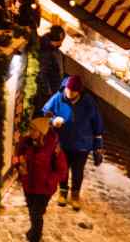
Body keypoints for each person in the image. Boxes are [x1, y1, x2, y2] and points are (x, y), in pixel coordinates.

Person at [39, 75, 104, 210]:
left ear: (79, 91)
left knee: (78, 171)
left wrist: (98, 146)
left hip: (82, 144)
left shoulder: (88, 102)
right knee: (63, 169)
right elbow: (46, 112)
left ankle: (75, 195)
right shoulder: (58, 97)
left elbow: (97, 123)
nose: (69, 93)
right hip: (63, 143)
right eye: (68, 90)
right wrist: (53, 120)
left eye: (73, 91)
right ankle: (63, 192)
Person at [10, 115, 67, 242]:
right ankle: (33, 231)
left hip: (44, 189)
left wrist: (49, 181)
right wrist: (18, 166)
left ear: (41, 132)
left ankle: (35, 237)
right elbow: (15, 157)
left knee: (36, 213)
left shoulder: (53, 148)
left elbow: (62, 170)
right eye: (30, 129)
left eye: (33, 130)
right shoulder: (25, 142)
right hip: (29, 184)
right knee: (32, 210)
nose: (30, 132)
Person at [34, 26, 66, 106]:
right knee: (43, 113)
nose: (62, 43)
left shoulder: (52, 48)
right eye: (61, 40)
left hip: (53, 89)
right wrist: (48, 93)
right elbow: (42, 75)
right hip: (47, 94)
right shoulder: (46, 52)